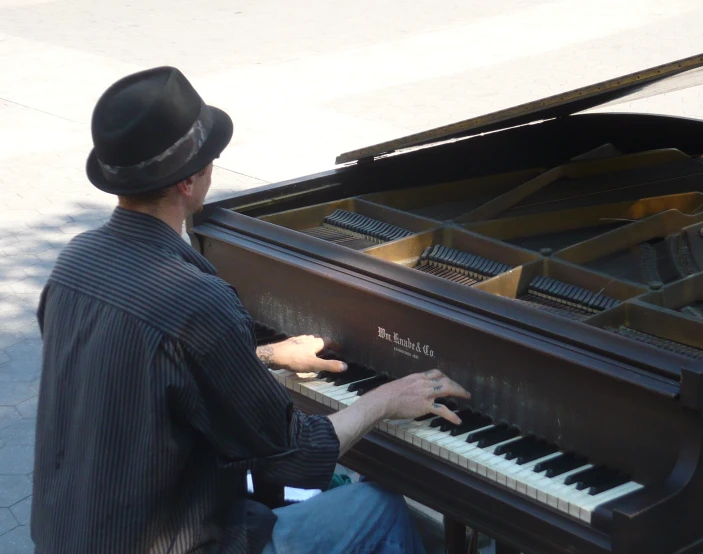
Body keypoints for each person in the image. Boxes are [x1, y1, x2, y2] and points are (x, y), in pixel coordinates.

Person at [30, 66, 471, 554]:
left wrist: (262, 356)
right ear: (189, 182)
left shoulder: (75, 263)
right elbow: (296, 457)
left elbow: (146, 372)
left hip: (68, 537)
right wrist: (384, 400)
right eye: (211, 158)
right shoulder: (197, 299)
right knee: (381, 507)